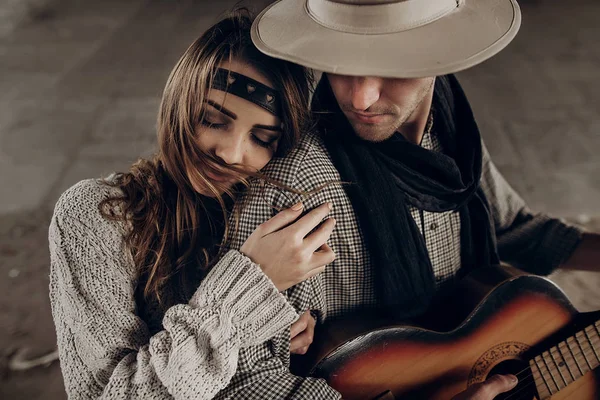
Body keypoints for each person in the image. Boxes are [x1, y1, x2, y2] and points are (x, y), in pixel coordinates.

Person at [213, 0, 600, 399]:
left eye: (392, 65)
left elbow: (512, 229)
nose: (361, 98)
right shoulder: (296, 188)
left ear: (442, 51)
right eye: (341, 62)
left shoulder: (453, 130)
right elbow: (240, 379)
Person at [48, 11, 337, 400]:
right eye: (213, 120)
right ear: (177, 102)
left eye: (263, 137)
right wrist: (250, 287)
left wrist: (285, 332)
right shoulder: (96, 216)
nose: (232, 153)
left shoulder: (265, 212)